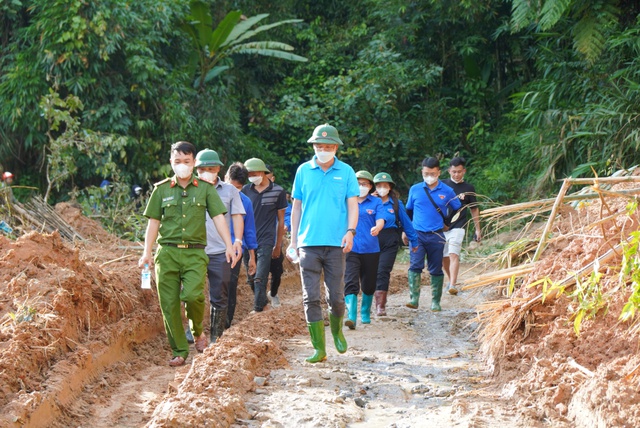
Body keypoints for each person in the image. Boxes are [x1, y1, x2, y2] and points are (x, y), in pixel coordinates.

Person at [138, 141, 234, 367]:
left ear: (193, 163)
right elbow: (153, 222)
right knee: (169, 304)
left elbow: (219, 218)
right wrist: (146, 253)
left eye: (187, 161)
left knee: (193, 296)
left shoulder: (205, 188)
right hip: (167, 254)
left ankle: (197, 331)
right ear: (171, 162)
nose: (182, 165)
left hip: (195, 254)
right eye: (177, 161)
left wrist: (229, 244)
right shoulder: (161, 190)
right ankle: (179, 350)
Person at [287, 123, 359, 363]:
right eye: (319, 146)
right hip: (308, 242)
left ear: (336, 147)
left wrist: (350, 231)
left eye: (328, 146)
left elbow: (352, 204)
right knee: (310, 297)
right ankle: (319, 348)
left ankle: (337, 331)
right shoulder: (303, 171)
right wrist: (293, 240)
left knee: (337, 296)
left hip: (336, 243)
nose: (323, 149)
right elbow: (296, 206)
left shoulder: (346, 171)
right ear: (314, 146)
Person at [195, 149, 244, 343]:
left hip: (220, 250)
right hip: (194, 250)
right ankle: (195, 330)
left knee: (220, 291)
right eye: (203, 168)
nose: (207, 171)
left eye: (211, 168)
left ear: (218, 169)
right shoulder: (189, 189)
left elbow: (237, 215)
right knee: (193, 293)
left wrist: (237, 241)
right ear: (196, 170)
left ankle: (216, 336)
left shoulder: (230, 191)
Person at [405, 157, 461, 312]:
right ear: (422, 172)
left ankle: (435, 302)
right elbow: (408, 211)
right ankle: (414, 299)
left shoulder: (447, 191)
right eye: (425, 173)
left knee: (436, 268)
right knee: (415, 265)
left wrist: (447, 222)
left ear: (439, 172)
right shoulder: (415, 189)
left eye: (432, 173)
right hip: (417, 234)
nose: (429, 176)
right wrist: (406, 230)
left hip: (436, 234)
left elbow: (457, 208)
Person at [241, 158, 287, 313]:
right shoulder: (245, 190)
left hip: (267, 239)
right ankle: (264, 304)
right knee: (251, 277)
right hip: (248, 240)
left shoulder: (278, 191)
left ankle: (258, 309)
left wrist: (278, 245)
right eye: (250, 174)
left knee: (260, 275)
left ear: (263, 173)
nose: (253, 176)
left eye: (255, 173)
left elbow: (281, 220)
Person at [372, 172, 419, 316]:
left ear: (390, 187)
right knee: (370, 272)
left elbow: (406, 222)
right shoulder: (369, 201)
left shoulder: (396, 204)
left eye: (385, 186)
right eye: (379, 185)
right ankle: (369, 302)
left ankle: (381, 306)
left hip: (390, 239)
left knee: (383, 271)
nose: (382, 188)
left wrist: (414, 240)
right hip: (372, 238)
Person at [343, 170, 385, 329]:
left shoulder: (376, 202)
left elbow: (381, 218)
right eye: (358, 183)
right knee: (350, 280)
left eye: (364, 184)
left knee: (368, 283)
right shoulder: (346, 201)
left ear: (370, 186)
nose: (361, 186)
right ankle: (351, 316)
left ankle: (365, 312)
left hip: (371, 248)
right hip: (351, 248)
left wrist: (378, 226)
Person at [441, 157, 482, 295]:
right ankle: (450, 279)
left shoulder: (468, 188)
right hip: (441, 226)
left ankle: (453, 284)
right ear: (449, 171)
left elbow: (474, 209)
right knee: (443, 257)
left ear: (464, 171)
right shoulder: (442, 185)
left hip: (459, 226)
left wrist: (477, 229)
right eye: (454, 172)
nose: (456, 175)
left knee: (453, 254)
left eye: (459, 172)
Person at [225, 162, 258, 328]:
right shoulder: (213, 197)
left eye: (238, 187)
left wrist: (252, 257)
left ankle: (225, 323)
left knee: (230, 286)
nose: (234, 190)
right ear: (225, 179)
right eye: (231, 185)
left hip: (235, 251)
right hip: (213, 249)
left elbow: (249, 231)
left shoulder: (245, 202)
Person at [265, 164, 284, 308]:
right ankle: (260, 300)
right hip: (257, 239)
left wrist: (278, 244)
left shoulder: (278, 192)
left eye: (267, 175)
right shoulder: (249, 192)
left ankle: (273, 292)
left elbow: (284, 216)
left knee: (277, 271)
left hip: (273, 238)